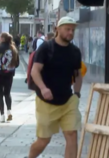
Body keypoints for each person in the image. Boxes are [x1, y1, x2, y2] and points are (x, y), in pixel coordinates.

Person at [28, 17, 83, 158]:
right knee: (43, 141)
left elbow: (78, 74)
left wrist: (76, 93)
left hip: (67, 101)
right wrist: (43, 88)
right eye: (67, 29)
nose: (70, 32)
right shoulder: (46, 48)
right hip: (46, 102)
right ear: (57, 29)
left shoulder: (75, 51)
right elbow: (35, 71)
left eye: (73, 30)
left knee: (71, 135)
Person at [0, 32, 20, 123]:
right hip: (9, 74)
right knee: (7, 93)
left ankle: (2, 116)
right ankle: (9, 111)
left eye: (0, 37)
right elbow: (17, 63)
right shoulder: (14, 49)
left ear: (3, 38)